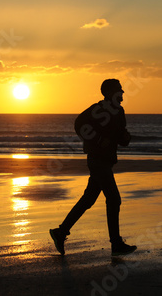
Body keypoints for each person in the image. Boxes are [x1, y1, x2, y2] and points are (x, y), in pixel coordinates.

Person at [50, 79, 137, 256]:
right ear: (110, 93)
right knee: (114, 199)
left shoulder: (119, 112)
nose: (122, 94)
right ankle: (116, 244)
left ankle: (61, 232)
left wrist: (126, 138)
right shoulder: (97, 110)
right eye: (119, 91)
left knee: (88, 199)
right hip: (97, 161)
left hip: (107, 161)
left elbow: (120, 137)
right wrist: (96, 140)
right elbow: (79, 125)